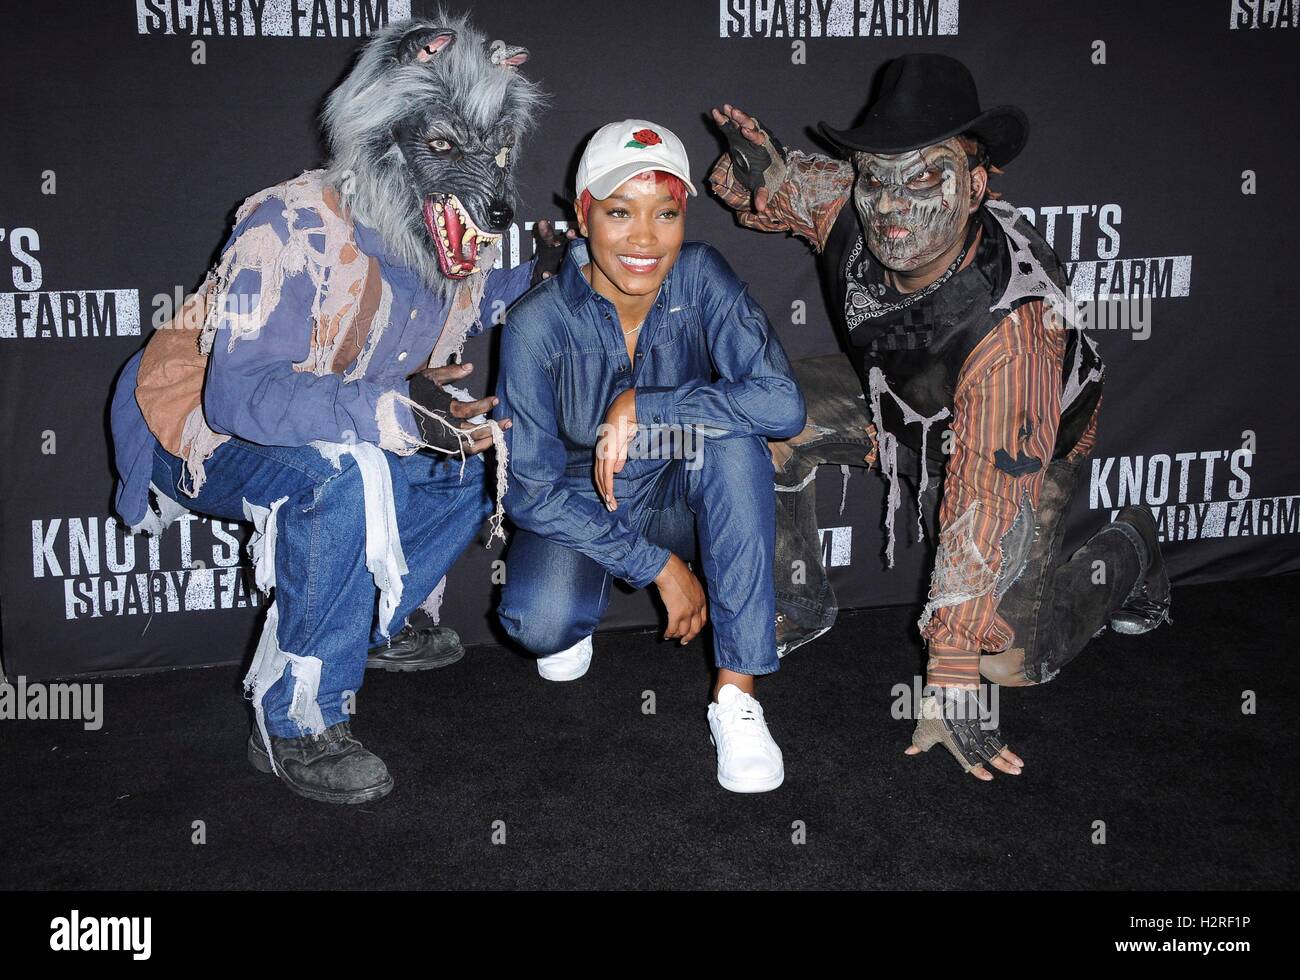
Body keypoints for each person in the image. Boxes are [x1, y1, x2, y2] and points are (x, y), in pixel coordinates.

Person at [108, 16, 545, 803]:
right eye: (446, 148)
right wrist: (392, 412)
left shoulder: (432, 235)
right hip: (194, 429)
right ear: (379, 130)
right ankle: (296, 722)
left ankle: (371, 622)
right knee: (336, 475)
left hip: (314, 415)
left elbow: (463, 308)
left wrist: (556, 262)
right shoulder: (286, 225)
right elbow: (235, 395)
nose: (485, 185)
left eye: (491, 151)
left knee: (465, 459)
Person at [709, 54, 1171, 780]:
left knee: (1012, 661)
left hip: (1025, 442)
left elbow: (989, 491)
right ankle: (796, 596)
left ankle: (1133, 546)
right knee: (767, 412)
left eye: (923, 177)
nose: (889, 204)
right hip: (901, 398)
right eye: (875, 175)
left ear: (976, 183)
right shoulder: (854, 205)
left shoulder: (1015, 325)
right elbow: (792, 187)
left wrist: (952, 672)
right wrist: (758, 161)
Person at [495, 120, 806, 793]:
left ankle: (737, 697)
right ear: (582, 216)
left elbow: (782, 405)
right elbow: (530, 492)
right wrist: (658, 566)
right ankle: (579, 607)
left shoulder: (700, 275)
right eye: (618, 213)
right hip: (583, 500)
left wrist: (648, 404)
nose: (644, 239)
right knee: (537, 622)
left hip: (678, 487)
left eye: (664, 213)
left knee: (732, 440)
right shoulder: (535, 323)